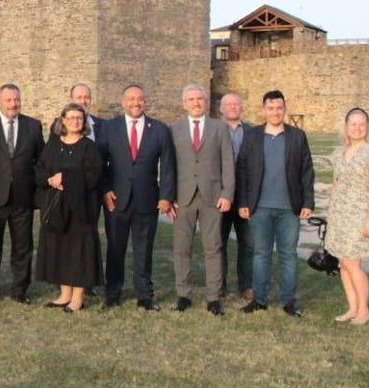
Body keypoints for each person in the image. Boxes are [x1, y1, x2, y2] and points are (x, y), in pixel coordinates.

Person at [237, 90, 315, 317]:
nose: (275, 112)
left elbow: (307, 172)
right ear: (264, 110)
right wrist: (242, 201)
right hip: (259, 206)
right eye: (270, 108)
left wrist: (307, 202)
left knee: (288, 254)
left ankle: (288, 301)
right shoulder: (252, 136)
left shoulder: (297, 136)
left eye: (279, 108)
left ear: (284, 109)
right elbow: (242, 169)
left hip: (289, 208)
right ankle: (259, 299)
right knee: (261, 254)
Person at [99, 84, 176, 310]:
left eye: (140, 99)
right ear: (123, 102)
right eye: (131, 99)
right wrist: (105, 190)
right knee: (115, 248)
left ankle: (145, 296)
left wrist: (166, 196)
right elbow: (99, 163)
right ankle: (112, 294)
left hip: (147, 199)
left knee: (144, 249)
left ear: (145, 101)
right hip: (116, 200)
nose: (135, 103)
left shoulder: (160, 129)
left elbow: (169, 166)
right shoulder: (109, 127)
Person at [169, 83, 235, 315]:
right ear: (184, 103)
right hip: (182, 198)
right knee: (181, 248)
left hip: (212, 197)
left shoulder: (219, 128)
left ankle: (213, 296)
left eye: (200, 99)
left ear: (206, 103)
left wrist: (227, 194)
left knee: (213, 248)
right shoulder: (174, 130)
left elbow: (228, 163)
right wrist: (168, 197)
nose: (196, 103)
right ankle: (183, 294)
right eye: (192, 100)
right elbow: (169, 167)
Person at [0, 83, 44, 305]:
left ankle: (20, 290)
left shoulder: (33, 126)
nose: (13, 104)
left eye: (16, 99)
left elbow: (41, 161)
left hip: (22, 197)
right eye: (8, 100)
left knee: (23, 246)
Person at [36, 104, 104, 312]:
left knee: (79, 252)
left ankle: (78, 297)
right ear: (63, 120)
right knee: (60, 250)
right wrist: (50, 179)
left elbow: (94, 176)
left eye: (79, 118)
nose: (75, 121)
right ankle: (65, 294)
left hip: (81, 210)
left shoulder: (89, 148)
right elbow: (39, 170)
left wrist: (66, 177)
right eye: (71, 117)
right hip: (57, 208)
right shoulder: (53, 145)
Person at [326, 108, 369, 326]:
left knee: (353, 262)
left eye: (362, 124)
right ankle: (352, 307)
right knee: (342, 262)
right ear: (346, 127)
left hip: (359, 213)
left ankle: (364, 309)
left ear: (367, 127)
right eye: (353, 124)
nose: (357, 128)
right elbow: (337, 181)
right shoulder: (340, 153)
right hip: (339, 213)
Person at [217, 92, 254, 301]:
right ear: (221, 108)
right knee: (218, 244)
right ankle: (219, 285)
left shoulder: (253, 132)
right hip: (220, 197)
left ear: (241, 108)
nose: (232, 107)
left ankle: (246, 285)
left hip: (245, 197)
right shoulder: (213, 130)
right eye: (228, 104)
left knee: (248, 243)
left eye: (236, 104)